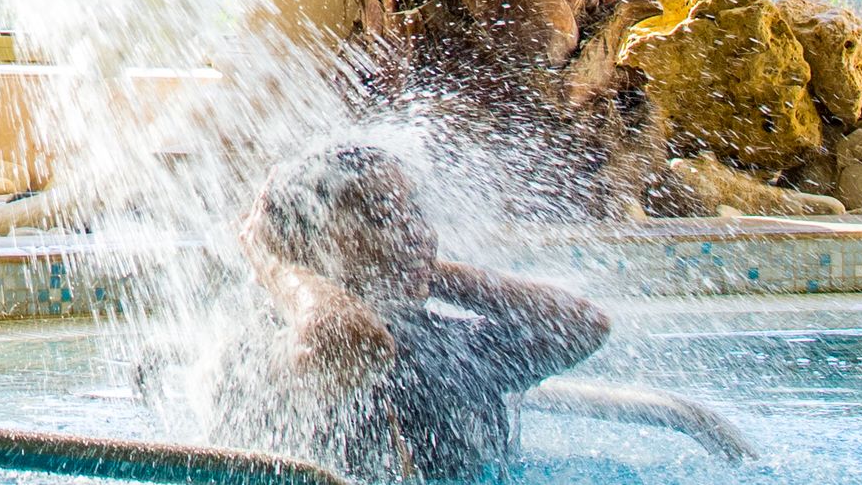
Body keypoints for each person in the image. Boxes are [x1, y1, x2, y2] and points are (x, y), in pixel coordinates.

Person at [244, 143, 614, 479]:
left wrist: (429, 271)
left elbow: (581, 324)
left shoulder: (442, 348)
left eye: (416, 210)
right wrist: (277, 265)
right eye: (384, 216)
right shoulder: (267, 355)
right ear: (313, 242)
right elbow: (352, 341)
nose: (420, 233)